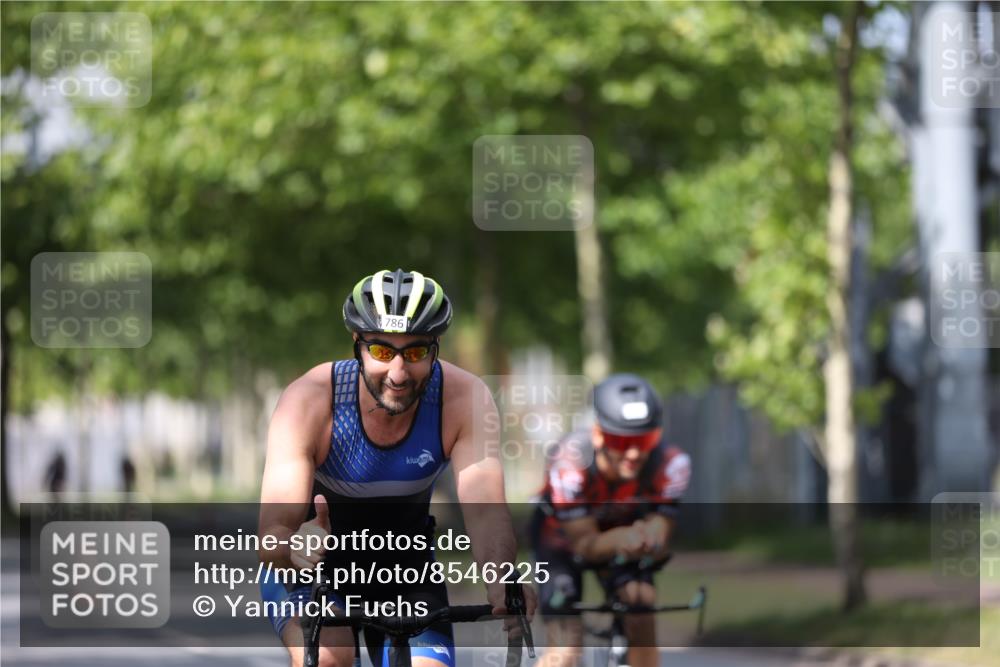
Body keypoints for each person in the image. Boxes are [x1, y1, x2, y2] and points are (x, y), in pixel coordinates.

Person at [258, 268, 536, 667]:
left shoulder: (464, 398)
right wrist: (293, 547)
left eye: (417, 352)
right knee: (330, 656)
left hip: (407, 569)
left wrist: (501, 578)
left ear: (436, 346)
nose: (399, 373)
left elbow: (485, 509)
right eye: (383, 352)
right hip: (314, 569)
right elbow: (270, 537)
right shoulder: (309, 401)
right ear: (357, 344)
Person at [532, 374, 691, 667]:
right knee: (565, 648)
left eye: (645, 440)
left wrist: (650, 536)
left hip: (622, 536)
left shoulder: (671, 462)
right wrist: (625, 537)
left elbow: (662, 527)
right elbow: (584, 545)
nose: (633, 452)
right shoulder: (570, 463)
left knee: (641, 608)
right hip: (562, 543)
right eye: (621, 440)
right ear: (598, 434)